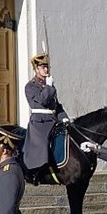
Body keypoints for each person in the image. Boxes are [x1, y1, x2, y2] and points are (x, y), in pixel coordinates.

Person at [24, 53, 70, 184]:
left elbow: (56, 104)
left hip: (53, 120)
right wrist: (49, 87)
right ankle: (36, 171)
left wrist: (64, 117)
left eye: (47, 67)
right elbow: (41, 100)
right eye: (43, 67)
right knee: (43, 142)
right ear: (36, 69)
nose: (46, 70)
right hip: (40, 122)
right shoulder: (30, 86)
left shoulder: (49, 85)